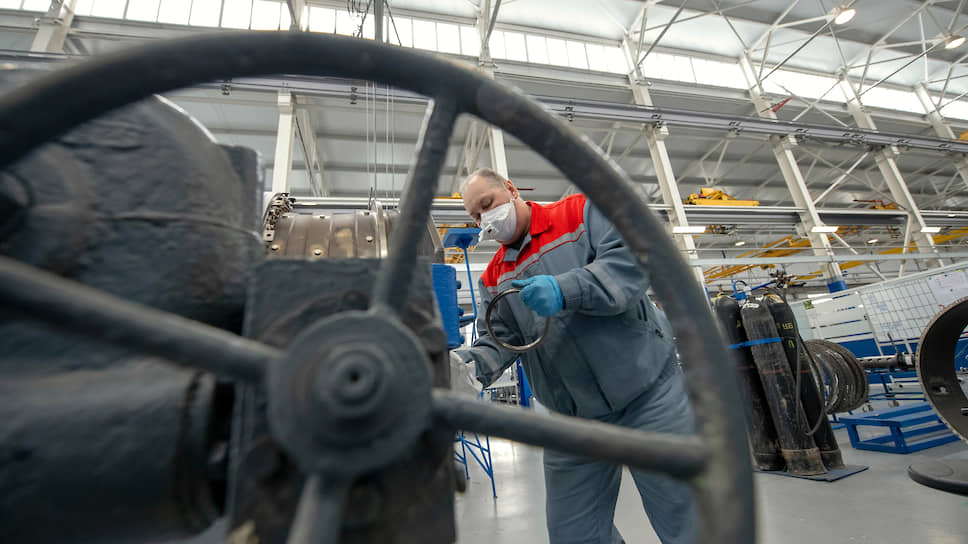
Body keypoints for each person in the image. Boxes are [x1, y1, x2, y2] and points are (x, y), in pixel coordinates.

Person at [450, 168, 699, 544]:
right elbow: (501, 340)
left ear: (511, 189)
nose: (485, 219)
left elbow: (631, 263)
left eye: (487, 204)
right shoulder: (493, 278)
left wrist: (566, 289)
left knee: (686, 518)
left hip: (648, 395)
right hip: (573, 417)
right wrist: (466, 368)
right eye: (475, 215)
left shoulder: (582, 212)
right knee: (574, 534)